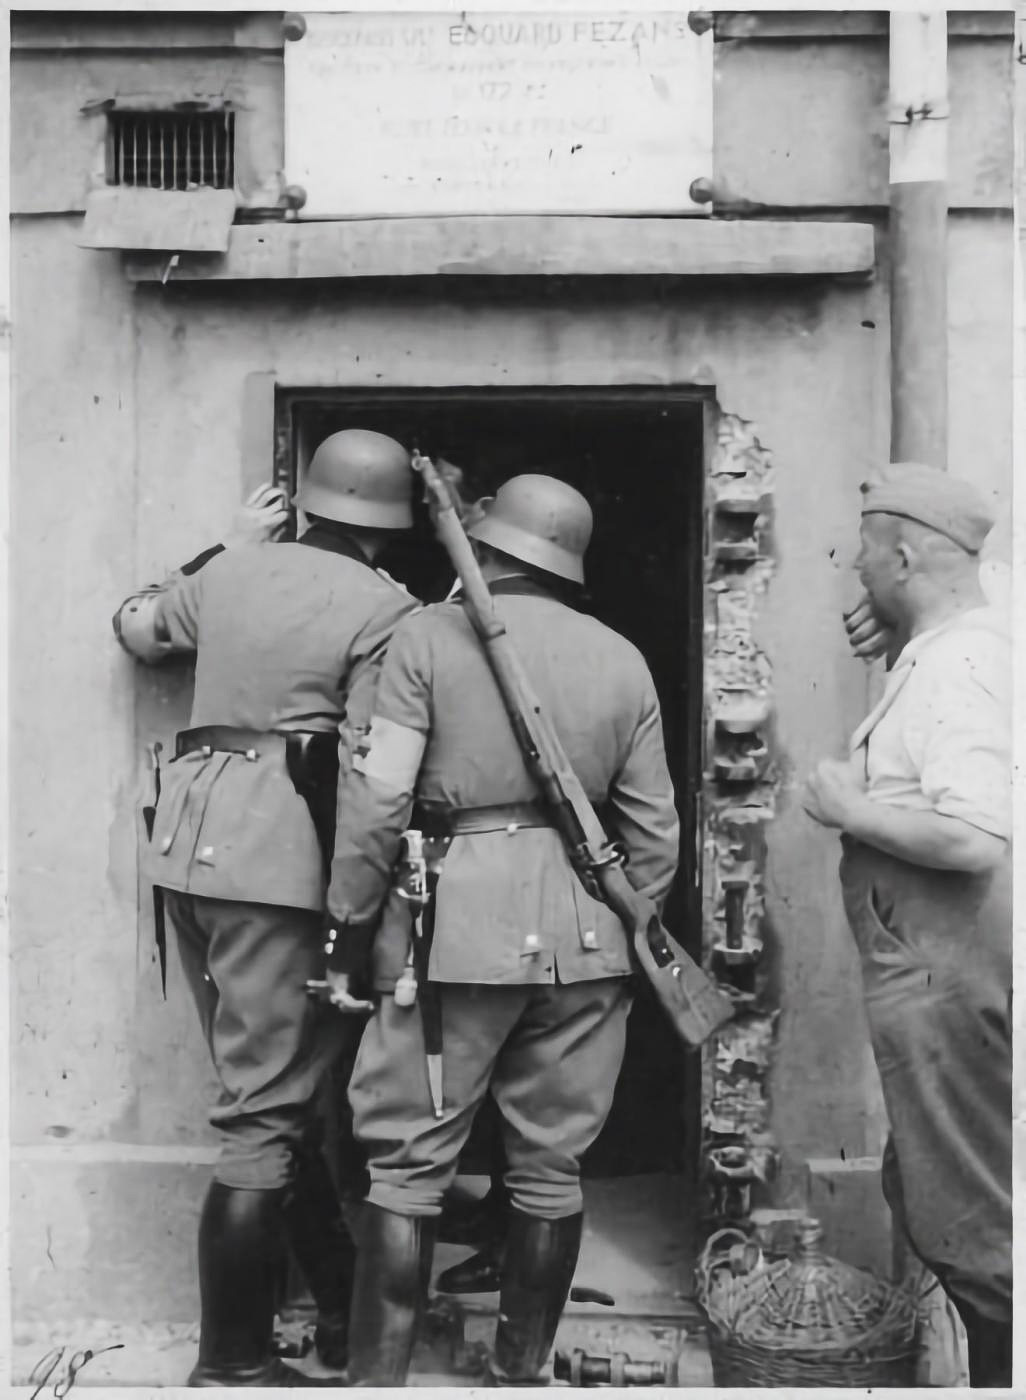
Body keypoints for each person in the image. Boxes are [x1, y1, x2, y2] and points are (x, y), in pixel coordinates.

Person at [322, 473, 680, 1386]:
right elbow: (655, 837)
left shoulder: (426, 638)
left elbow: (376, 799)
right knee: (551, 1169)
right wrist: (612, 924)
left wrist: (353, 927)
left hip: (452, 926)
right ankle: (521, 1375)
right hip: (589, 935)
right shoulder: (621, 656)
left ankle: (378, 1382)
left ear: (483, 550)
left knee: (406, 1168)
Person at [113, 431, 420, 1386]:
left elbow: (134, 627)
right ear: (387, 528)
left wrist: (217, 545)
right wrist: (358, 917)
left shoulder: (233, 570)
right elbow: (374, 774)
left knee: (277, 1095)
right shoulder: (389, 608)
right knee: (268, 1110)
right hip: (282, 865)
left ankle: (334, 1309)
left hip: (188, 853)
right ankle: (233, 1363)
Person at [802, 463, 1012, 1388]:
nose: (852, 568)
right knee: (934, 1192)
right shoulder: (952, 642)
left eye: (863, 557)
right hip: (931, 973)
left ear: (903, 553)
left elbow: (972, 838)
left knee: (972, 1226)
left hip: (945, 975)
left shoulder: (962, 661)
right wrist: (895, 623)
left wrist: (849, 808)